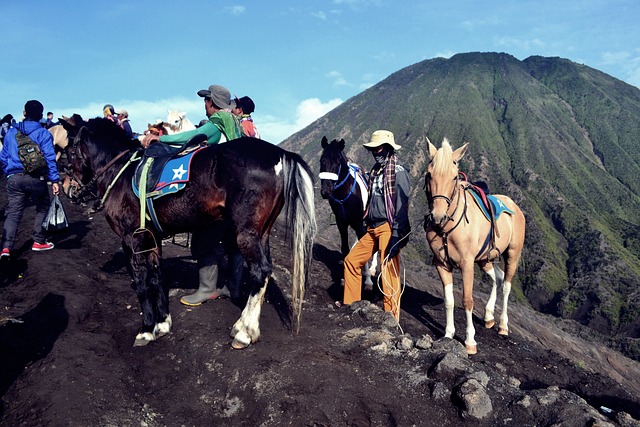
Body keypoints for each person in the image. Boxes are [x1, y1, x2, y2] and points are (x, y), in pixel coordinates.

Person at [141, 84, 244, 306]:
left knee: (204, 239)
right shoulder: (236, 123)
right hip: (237, 191)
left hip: (221, 191)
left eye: (206, 101)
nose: (204, 105)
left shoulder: (218, 122)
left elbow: (195, 135)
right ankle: (234, 287)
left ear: (212, 103)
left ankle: (207, 289)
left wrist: (162, 139)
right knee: (232, 241)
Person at [341, 130, 411, 321]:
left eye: (378, 148)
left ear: (387, 149)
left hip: (388, 227)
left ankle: (391, 319)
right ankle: (352, 305)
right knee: (352, 261)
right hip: (372, 227)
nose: (375, 152)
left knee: (387, 270)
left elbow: (402, 205)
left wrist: (397, 234)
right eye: (373, 149)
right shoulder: (375, 171)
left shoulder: (399, 172)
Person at [0, 100, 60, 259]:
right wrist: (54, 180)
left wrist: (10, 173)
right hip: (36, 179)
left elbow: (3, 158)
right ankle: (39, 241)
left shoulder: (11, 133)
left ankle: (5, 248)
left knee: (13, 213)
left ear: (24, 113)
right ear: (41, 116)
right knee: (43, 206)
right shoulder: (44, 133)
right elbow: (50, 158)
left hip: (14, 179)